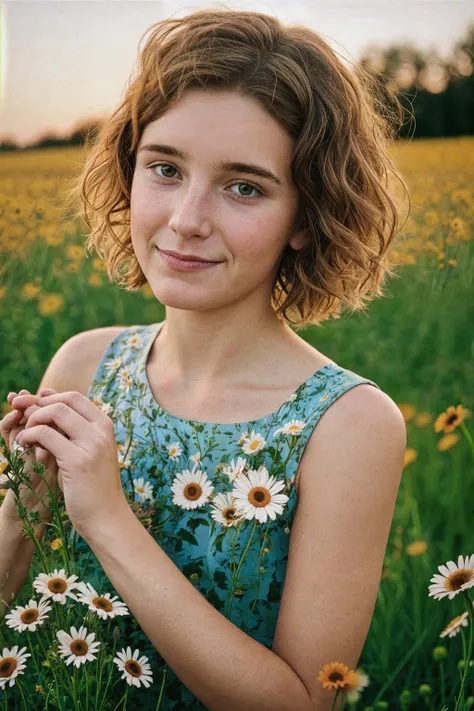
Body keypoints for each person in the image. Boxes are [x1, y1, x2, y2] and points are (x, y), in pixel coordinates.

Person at [0, 7, 410, 709]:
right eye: (165, 168)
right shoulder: (84, 364)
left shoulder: (348, 424)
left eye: (243, 186)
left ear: (308, 218)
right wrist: (25, 499)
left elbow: (304, 702)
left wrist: (105, 514)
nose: (188, 218)